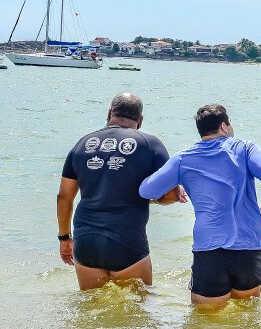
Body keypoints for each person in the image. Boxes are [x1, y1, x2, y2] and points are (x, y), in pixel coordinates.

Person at [139, 104, 261, 306]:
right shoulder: (245, 149)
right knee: (248, 318)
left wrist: (176, 186)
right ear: (225, 126)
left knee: (206, 327)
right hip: (249, 249)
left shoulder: (183, 159)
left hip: (209, 251)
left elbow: (147, 191)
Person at [57, 93, 184, 290]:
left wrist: (64, 238)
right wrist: (150, 200)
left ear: (109, 113)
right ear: (140, 120)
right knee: (137, 313)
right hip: (127, 241)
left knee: (90, 310)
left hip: (86, 241)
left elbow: (64, 196)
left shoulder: (82, 143)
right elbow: (172, 195)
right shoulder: (150, 144)